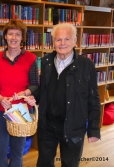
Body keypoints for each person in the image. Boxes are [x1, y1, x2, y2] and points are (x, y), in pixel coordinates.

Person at [32, 23, 101, 167]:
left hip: (73, 127)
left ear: (75, 41)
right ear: (53, 42)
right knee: (43, 164)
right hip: (47, 126)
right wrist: (33, 96)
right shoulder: (46, 62)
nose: (62, 43)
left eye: (67, 39)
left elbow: (93, 98)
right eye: (58, 40)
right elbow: (44, 90)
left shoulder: (86, 65)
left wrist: (93, 129)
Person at [0, 19, 39, 167]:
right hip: (1, 110)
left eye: (17, 34)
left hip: (22, 110)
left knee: (17, 152)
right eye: (10, 34)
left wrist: (24, 93)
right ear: (5, 36)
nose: (13, 37)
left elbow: (35, 84)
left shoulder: (31, 58)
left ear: (22, 37)